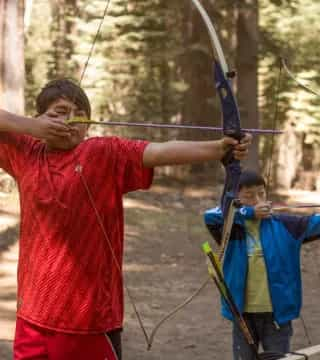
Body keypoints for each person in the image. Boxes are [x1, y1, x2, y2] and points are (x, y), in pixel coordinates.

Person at [0, 78, 252, 360]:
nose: (68, 121)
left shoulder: (100, 152)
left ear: (88, 126)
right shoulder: (26, 154)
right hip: (32, 315)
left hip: (88, 321)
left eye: (77, 114)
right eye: (58, 112)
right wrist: (30, 128)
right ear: (40, 119)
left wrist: (219, 149)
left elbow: (157, 152)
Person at [204, 170, 320, 360]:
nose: (257, 199)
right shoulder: (229, 228)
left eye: (261, 193)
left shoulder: (285, 225)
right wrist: (248, 213)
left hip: (276, 315)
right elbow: (210, 215)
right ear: (235, 198)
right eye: (248, 195)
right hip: (242, 314)